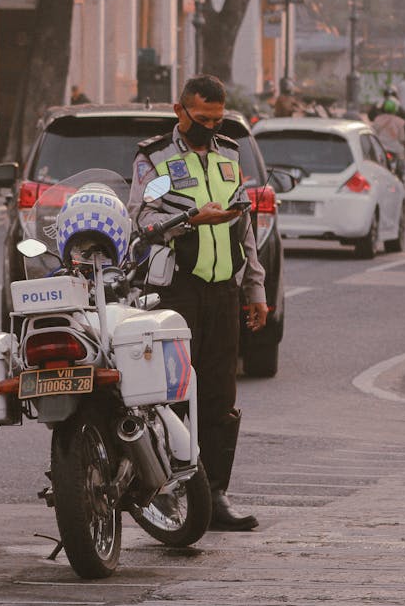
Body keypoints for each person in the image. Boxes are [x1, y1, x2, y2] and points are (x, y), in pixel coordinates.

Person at [127, 74, 268, 532]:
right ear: (179, 111)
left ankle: (216, 494)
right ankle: (167, 491)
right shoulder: (153, 158)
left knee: (219, 397)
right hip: (175, 292)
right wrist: (190, 218)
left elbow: (244, 228)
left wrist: (256, 290)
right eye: (200, 118)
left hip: (222, 291)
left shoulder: (229, 153)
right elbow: (142, 218)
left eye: (216, 119)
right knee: (169, 395)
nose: (209, 126)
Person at [371, 97, 405, 178]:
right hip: (395, 149)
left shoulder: (377, 119)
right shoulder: (400, 121)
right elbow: (402, 139)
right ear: (396, 109)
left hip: (380, 148)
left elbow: (373, 133)